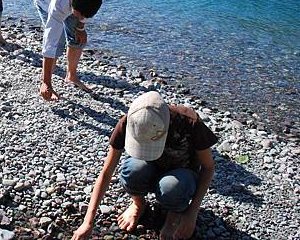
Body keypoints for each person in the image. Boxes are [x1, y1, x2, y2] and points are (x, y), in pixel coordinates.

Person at [72, 91, 217, 240]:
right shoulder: (129, 121)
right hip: (151, 168)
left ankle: (174, 214)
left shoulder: (189, 122)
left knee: (170, 187)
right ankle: (138, 204)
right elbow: (106, 173)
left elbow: (208, 168)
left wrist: (192, 212)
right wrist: (87, 221)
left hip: (182, 175)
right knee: (132, 171)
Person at [32, 0, 107, 100]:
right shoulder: (58, 4)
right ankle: (45, 81)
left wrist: (80, 28)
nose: (80, 18)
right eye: (77, 15)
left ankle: (71, 76)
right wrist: (46, 83)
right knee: (58, 43)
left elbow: (83, 15)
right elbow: (50, 43)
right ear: (72, 3)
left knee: (77, 38)